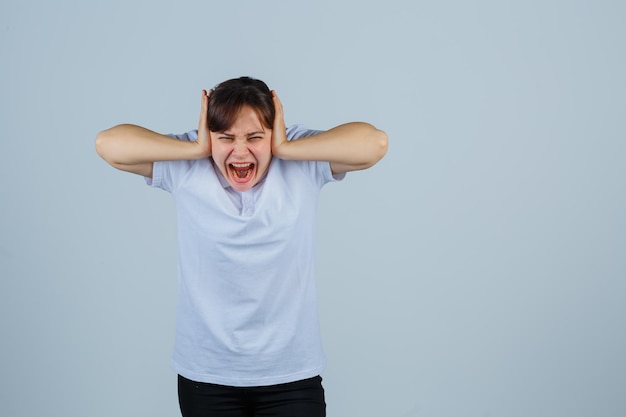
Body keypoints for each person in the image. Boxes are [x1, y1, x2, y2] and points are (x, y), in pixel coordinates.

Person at [95, 76, 388, 417]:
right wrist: (195, 149)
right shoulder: (186, 166)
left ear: (274, 133)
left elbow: (374, 144)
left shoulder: (303, 159)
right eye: (226, 138)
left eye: (255, 137)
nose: (240, 151)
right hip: (207, 377)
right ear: (209, 135)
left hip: (291, 375)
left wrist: (287, 148)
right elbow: (108, 144)